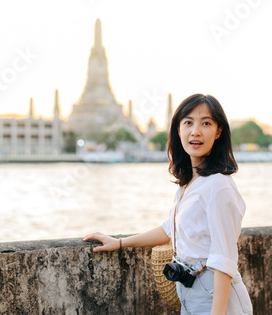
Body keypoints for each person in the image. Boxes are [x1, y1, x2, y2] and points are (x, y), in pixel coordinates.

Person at [83, 94, 253, 315]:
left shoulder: (218, 185)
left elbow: (224, 258)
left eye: (206, 123)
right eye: (188, 122)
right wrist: (121, 243)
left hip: (217, 298)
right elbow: (169, 229)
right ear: (178, 129)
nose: (196, 131)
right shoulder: (188, 184)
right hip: (190, 292)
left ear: (218, 132)